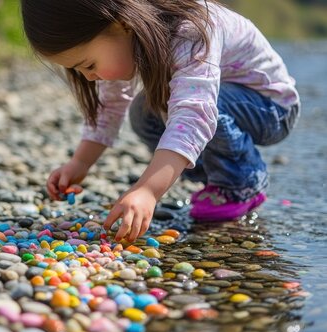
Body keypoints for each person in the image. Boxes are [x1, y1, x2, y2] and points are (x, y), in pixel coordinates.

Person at [20, 0, 300, 242]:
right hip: (225, 102)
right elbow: (110, 106)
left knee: (192, 107)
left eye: (89, 65)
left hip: (270, 108)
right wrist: (79, 163)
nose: (89, 77)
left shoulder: (191, 30)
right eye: (79, 71)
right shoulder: (129, 37)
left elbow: (194, 113)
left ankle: (241, 183)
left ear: (122, 24)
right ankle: (216, 173)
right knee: (144, 112)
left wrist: (148, 190)